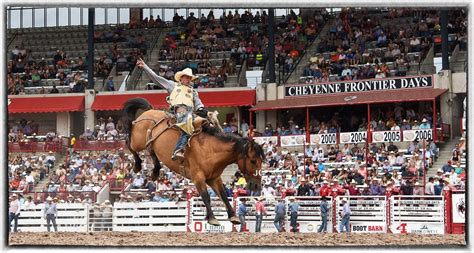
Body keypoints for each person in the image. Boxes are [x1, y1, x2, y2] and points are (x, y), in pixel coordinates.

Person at [136, 58, 208, 160]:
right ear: (181, 78)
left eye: (190, 78)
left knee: (207, 122)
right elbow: (156, 78)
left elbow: (198, 103)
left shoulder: (193, 91)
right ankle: (178, 150)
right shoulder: (172, 85)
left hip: (191, 113)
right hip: (179, 111)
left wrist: (201, 108)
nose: (188, 80)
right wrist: (145, 67)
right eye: (187, 77)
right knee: (188, 121)